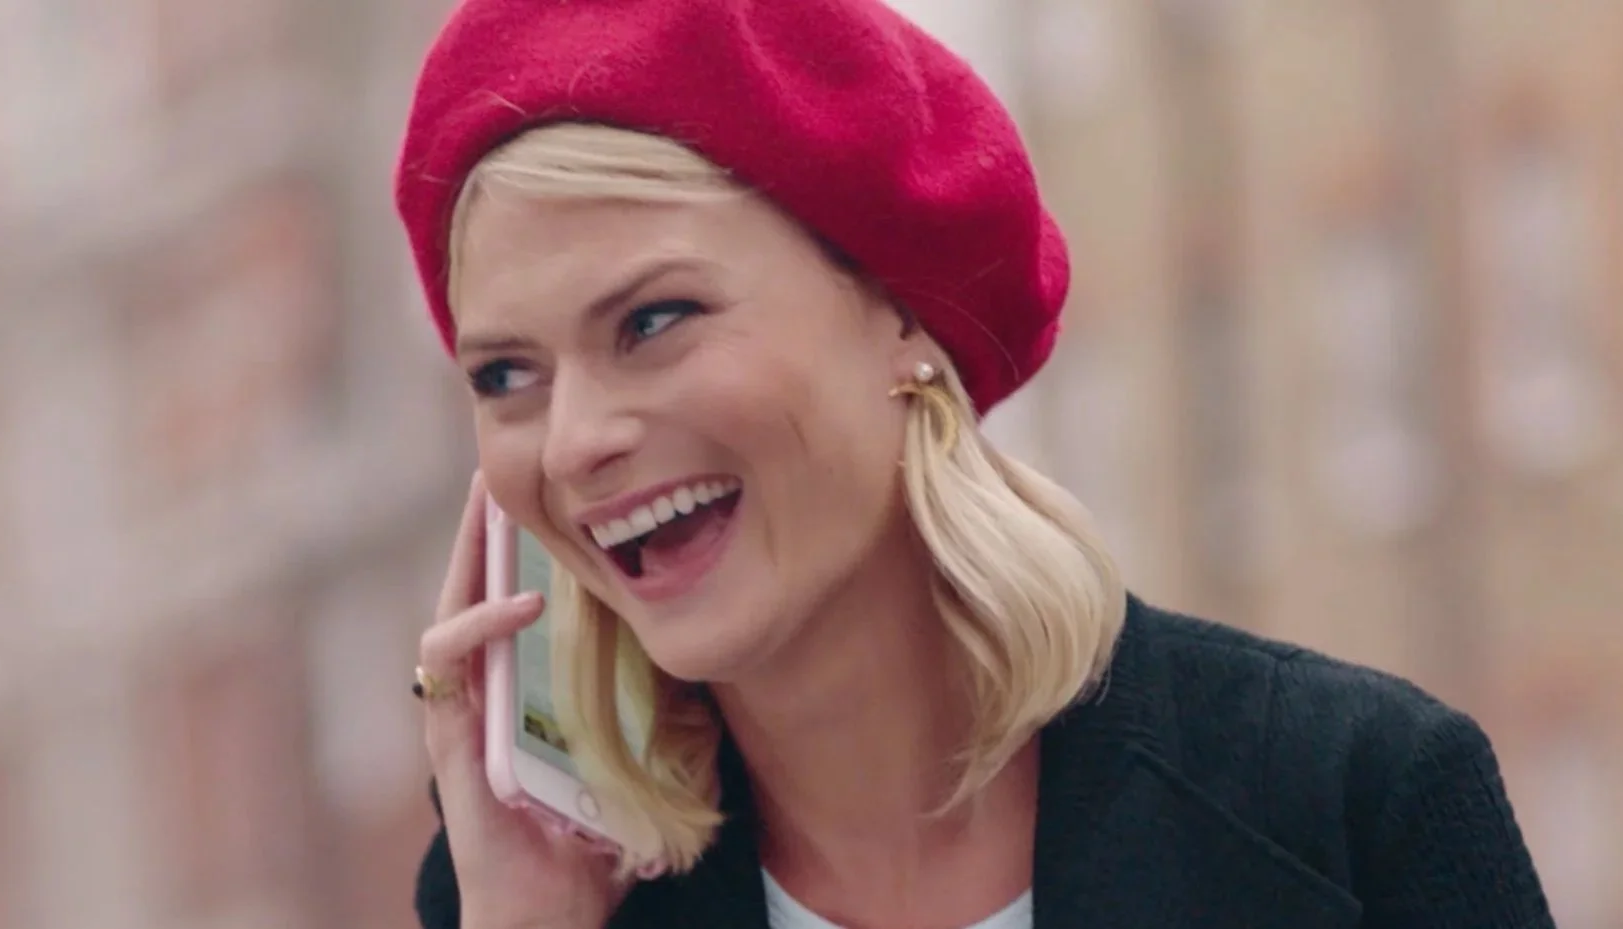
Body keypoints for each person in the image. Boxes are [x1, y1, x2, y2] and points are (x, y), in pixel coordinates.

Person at [393, 2, 1555, 928]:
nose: (575, 438)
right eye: (505, 375)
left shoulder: (1347, 798)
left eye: (653, 320)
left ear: (901, 313)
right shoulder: (530, 889)